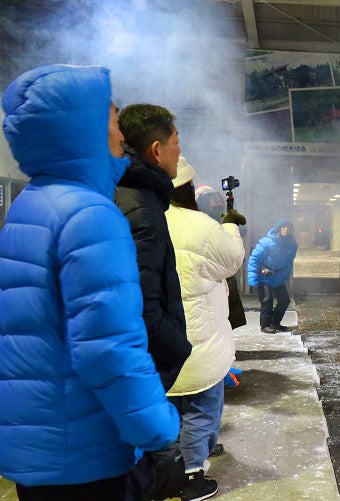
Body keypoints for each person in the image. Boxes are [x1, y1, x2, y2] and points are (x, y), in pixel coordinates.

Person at [0, 64, 180, 499]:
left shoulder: (29, 204)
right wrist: (158, 431)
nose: (121, 135)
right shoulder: (90, 215)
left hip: (36, 444)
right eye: (113, 120)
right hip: (84, 453)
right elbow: (107, 346)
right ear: (81, 129)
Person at [116, 103, 194, 499]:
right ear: (157, 150)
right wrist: (177, 346)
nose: (180, 152)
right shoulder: (142, 208)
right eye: (177, 143)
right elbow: (140, 305)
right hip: (143, 364)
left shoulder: (134, 195)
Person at [166, 157, 246, 500]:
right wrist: (230, 225)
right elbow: (232, 258)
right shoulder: (197, 224)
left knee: (171, 407)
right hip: (201, 337)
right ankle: (191, 475)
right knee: (201, 409)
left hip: (160, 336)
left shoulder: (142, 218)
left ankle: (172, 466)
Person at [196, 185, 247, 331]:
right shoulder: (200, 220)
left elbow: (242, 231)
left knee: (228, 312)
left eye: (218, 199)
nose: (217, 203)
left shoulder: (223, 215)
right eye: (213, 199)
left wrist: (232, 213)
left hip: (225, 272)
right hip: (208, 272)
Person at [248, 220, 298, 333]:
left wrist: (285, 275)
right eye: (283, 227)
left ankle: (274, 322)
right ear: (278, 228)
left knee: (284, 300)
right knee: (267, 300)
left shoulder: (292, 245)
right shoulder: (266, 242)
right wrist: (254, 278)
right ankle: (265, 325)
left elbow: (289, 262)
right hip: (265, 275)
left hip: (278, 276)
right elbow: (254, 259)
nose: (286, 229)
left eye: (288, 227)